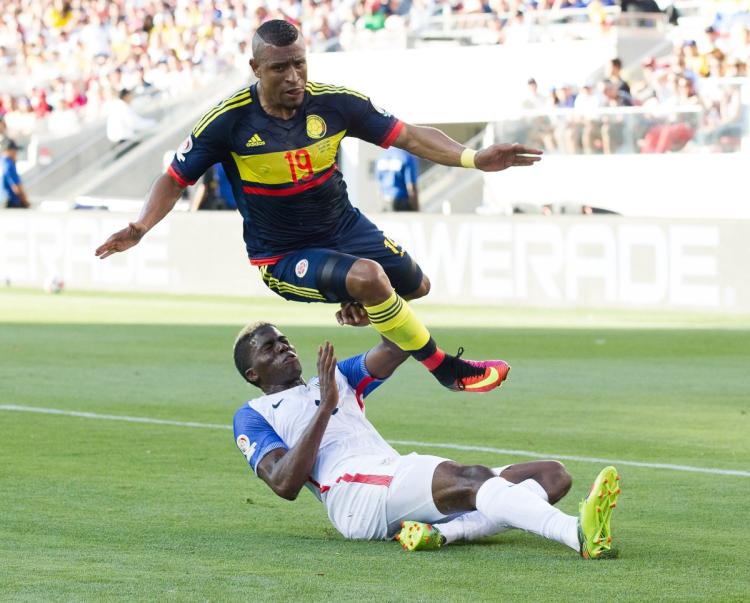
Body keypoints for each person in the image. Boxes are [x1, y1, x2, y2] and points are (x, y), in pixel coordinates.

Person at [96, 19, 543, 395]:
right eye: (279, 68)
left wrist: (471, 158)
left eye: (299, 63)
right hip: (284, 254)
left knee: (416, 287)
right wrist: (140, 227)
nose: (293, 76)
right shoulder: (227, 122)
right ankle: (446, 369)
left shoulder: (335, 103)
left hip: (344, 228)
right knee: (369, 277)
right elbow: (175, 179)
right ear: (255, 69)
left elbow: (408, 135)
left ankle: (357, 371)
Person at [231, 322, 622, 556]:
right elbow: (285, 484)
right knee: (473, 479)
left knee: (553, 476)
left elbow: (402, 342)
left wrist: (370, 313)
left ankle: (445, 533)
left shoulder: (337, 376)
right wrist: (325, 407)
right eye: (269, 346)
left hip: (389, 477)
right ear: (252, 373)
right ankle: (576, 533)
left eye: (283, 339)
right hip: (352, 494)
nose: (284, 345)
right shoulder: (253, 414)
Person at [105, 88, 156, 154]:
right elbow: (135, 124)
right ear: (126, 97)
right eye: (130, 95)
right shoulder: (123, 108)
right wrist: (153, 123)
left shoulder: (119, 106)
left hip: (122, 140)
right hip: (124, 141)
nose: (132, 97)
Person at [375, 146, 419, 211]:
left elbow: (379, 181)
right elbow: (411, 186)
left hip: (385, 200)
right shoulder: (407, 156)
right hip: (401, 201)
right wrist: (416, 208)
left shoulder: (382, 156)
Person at [1, 138, 30, 208]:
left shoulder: (2, 162)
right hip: (9, 201)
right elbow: (16, 186)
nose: (16, 153)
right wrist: (25, 201)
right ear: (8, 150)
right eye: (14, 150)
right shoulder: (8, 163)